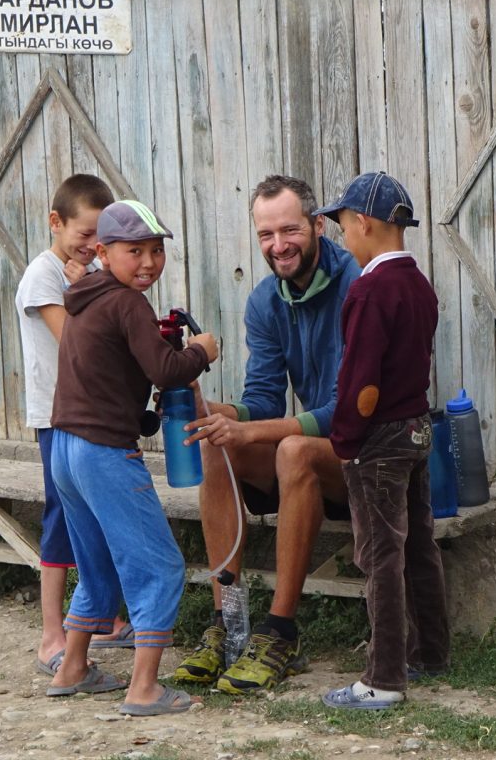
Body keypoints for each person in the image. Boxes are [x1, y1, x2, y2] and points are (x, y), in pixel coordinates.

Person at [173, 175, 360, 694]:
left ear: (318, 226)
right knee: (217, 443)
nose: (278, 245)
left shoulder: (357, 286)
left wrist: (250, 429)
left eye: (290, 230)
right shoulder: (264, 302)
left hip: (367, 456)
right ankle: (229, 625)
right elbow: (263, 400)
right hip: (312, 456)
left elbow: (346, 413)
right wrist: (211, 410)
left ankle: (280, 633)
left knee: (293, 449)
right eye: (266, 234)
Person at [47, 199, 219, 715]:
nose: (148, 262)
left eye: (156, 251)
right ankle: (144, 688)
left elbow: (106, 381)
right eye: (134, 251)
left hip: (65, 450)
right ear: (103, 252)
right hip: (102, 455)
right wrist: (202, 351)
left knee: (97, 562)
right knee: (159, 565)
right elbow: (166, 370)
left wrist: (144, 418)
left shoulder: (85, 298)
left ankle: (73, 668)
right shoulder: (127, 303)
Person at [314, 171, 450, 710]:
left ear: (364, 222)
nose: (344, 236)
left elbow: (362, 383)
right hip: (417, 429)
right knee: (418, 544)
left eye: (344, 225)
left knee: (379, 555)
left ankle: (384, 678)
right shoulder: (418, 284)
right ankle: (430, 652)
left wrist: (346, 441)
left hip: (380, 439)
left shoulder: (370, 289)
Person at [14, 174, 134, 678]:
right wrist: (84, 284)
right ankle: (51, 637)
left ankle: (104, 620)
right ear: (55, 223)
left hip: (93, 415)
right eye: (85, 234)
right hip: (58, 417)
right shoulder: (43, 276)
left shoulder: (88, 271)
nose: (92, 244)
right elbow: (79, 345)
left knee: (98, 517)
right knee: (62, 519)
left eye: (100, 237)